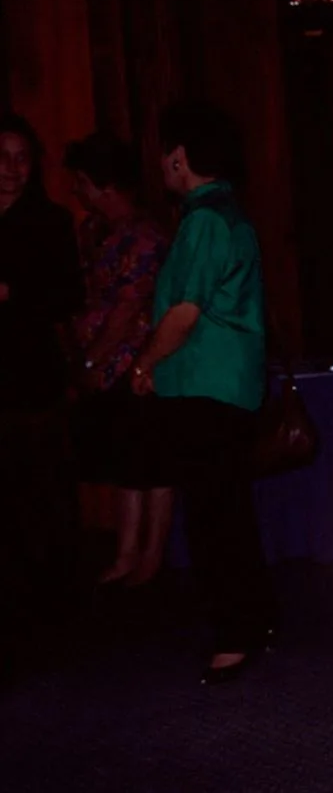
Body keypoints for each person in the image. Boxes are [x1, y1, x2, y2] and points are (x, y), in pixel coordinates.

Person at [132, 102, 274, 683]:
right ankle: (253, 621)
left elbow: (183, 315)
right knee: (229, 510)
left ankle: (235, 635)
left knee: (215, 515)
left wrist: (144, 364)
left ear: (180, 156)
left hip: (204, 387)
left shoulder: (204, 220)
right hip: (226, 388)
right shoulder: (225, 212)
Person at [63, 132, 170, 586]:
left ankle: (152, 555)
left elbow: (128, 309)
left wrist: (91, 361)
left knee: (154, 462)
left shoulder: (143, 236)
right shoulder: (95, 231)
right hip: (108, 369)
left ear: (103, 185)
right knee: (127, 461)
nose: (76, 192)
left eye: (81, 183)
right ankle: (128, 552)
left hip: (140, 365)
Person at [0, 112, 84, 639]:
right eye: (1, 158)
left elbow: (68, 298)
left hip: (29, 381)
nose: (11, 169)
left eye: (22, 158)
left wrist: (13, 294)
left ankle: (53, 614)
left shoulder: (49, 222)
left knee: (41, 498)